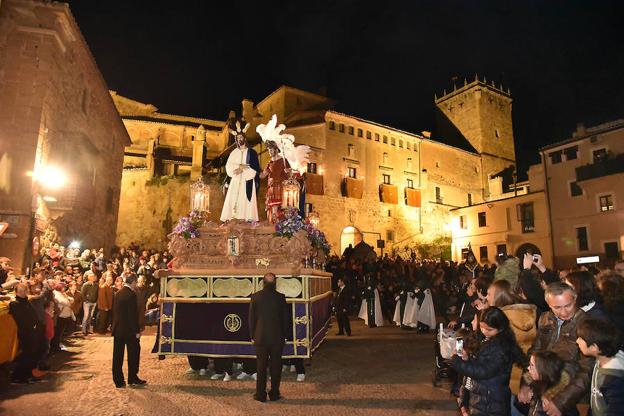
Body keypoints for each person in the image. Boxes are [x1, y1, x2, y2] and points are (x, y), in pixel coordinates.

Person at [517, 282, 593, 416]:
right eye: (556, 307)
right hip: (542, 388)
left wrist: (560, 402)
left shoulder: (586, 324)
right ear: (548, 304)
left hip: (572, 396)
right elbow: (536, 352)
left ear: (575, 299)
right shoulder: (545, 318)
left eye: (568, 305)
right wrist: (525, 383)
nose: (563, 312)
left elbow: (587, 370)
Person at [448, 307, 524, 416]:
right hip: (482, 398)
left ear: (500, 328)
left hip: (491, 403)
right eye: (482, 327)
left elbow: (483, 371)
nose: (484, 331)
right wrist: (467, 359)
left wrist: (458, 362)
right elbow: (480, 363)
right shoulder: (486, 339)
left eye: (489, 329)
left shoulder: (501, 347)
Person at [248, 272, 289, 402]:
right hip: (277, 337)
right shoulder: (280, 297)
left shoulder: (255, 297)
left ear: (263, 282)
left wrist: (252, 335)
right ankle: (275, 393)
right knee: (276, 366)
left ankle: (260, 394)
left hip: (260, 337)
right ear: (275, 282)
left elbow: (251, 319)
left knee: (261, 366)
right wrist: (285, 335)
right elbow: (286, 319)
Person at [576, 318, 624, 416]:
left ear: (594, 348)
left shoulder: (615, 379)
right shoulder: (601, 359)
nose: (577, 341)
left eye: (581, 339)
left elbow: (616, 411)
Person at [220, 117, 260, 222]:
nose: (239, 140)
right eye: (237, 139)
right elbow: (228, 167)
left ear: (245, 139)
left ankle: (246, 221)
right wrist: (239, 168)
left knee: (245, 203)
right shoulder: (233, 153)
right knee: (233, 201)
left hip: (246, 182)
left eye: (241, 138)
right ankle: (231, 221)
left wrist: (243, 169)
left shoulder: (252, 153)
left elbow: (255, 169)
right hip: (235, 181)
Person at [111, 274, 145, 388]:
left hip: (118, 329)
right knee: (134, 354)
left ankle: (118, 380)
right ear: (133, 282)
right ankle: (132, 377)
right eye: (135, 283)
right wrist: (136, 331)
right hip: (129, 331)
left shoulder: (118, 293)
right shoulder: (131, 295)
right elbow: (132, 315)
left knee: (117, 356)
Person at [9, 283, 46, 383]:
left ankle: (28, 375)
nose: (22, 293)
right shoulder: (15, 304)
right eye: (20, 291)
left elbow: (33, 315)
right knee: (26, 355)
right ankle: (19, 377)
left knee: (31, 354)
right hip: (25, 333)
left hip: (33, 332)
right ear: (16, 292)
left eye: (24, 291)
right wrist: (32, 327)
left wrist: (37, 326)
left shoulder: (26, 301)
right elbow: (21, 320)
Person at [525, 350, 576, 416]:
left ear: (542, 369)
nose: (528, 368)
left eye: (532, 365)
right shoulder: (537, 387)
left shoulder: (555, 400)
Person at [260, 140, 290, 223]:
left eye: (271, 150)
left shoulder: (283, 161)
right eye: (268, 150)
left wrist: (289, 172)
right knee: (273, 209)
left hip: (280, 187)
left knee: (281, 208)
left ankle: (281, 227)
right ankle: (273, 226)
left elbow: (289, 174)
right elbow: (262, 175)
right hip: (271, 189)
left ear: (276, 150)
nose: (269, 152)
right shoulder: (270, 162)